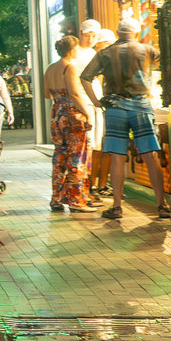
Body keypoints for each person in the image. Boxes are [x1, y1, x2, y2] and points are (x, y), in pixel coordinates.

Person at [82, 18, 167, 221]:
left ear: (118, 33)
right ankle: (162, 205)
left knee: (117, 157)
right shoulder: (147, 50)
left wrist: (96, 102)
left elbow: (85, 77)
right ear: (136, 33)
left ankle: (117, 206)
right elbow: (168, 67)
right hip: (141, 107)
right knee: (150, 154)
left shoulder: (104, 53)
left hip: (115, 108)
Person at [44, 35, 96, 212]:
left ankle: (56, 198)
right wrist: (87, 114)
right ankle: (76, 199)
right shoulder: (69, 67)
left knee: (60, 156)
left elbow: (46, 94)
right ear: (72, 50)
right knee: (77, 156)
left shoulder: (50, 69)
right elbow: (74, 94)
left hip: (56, 114)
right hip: (71, 116)